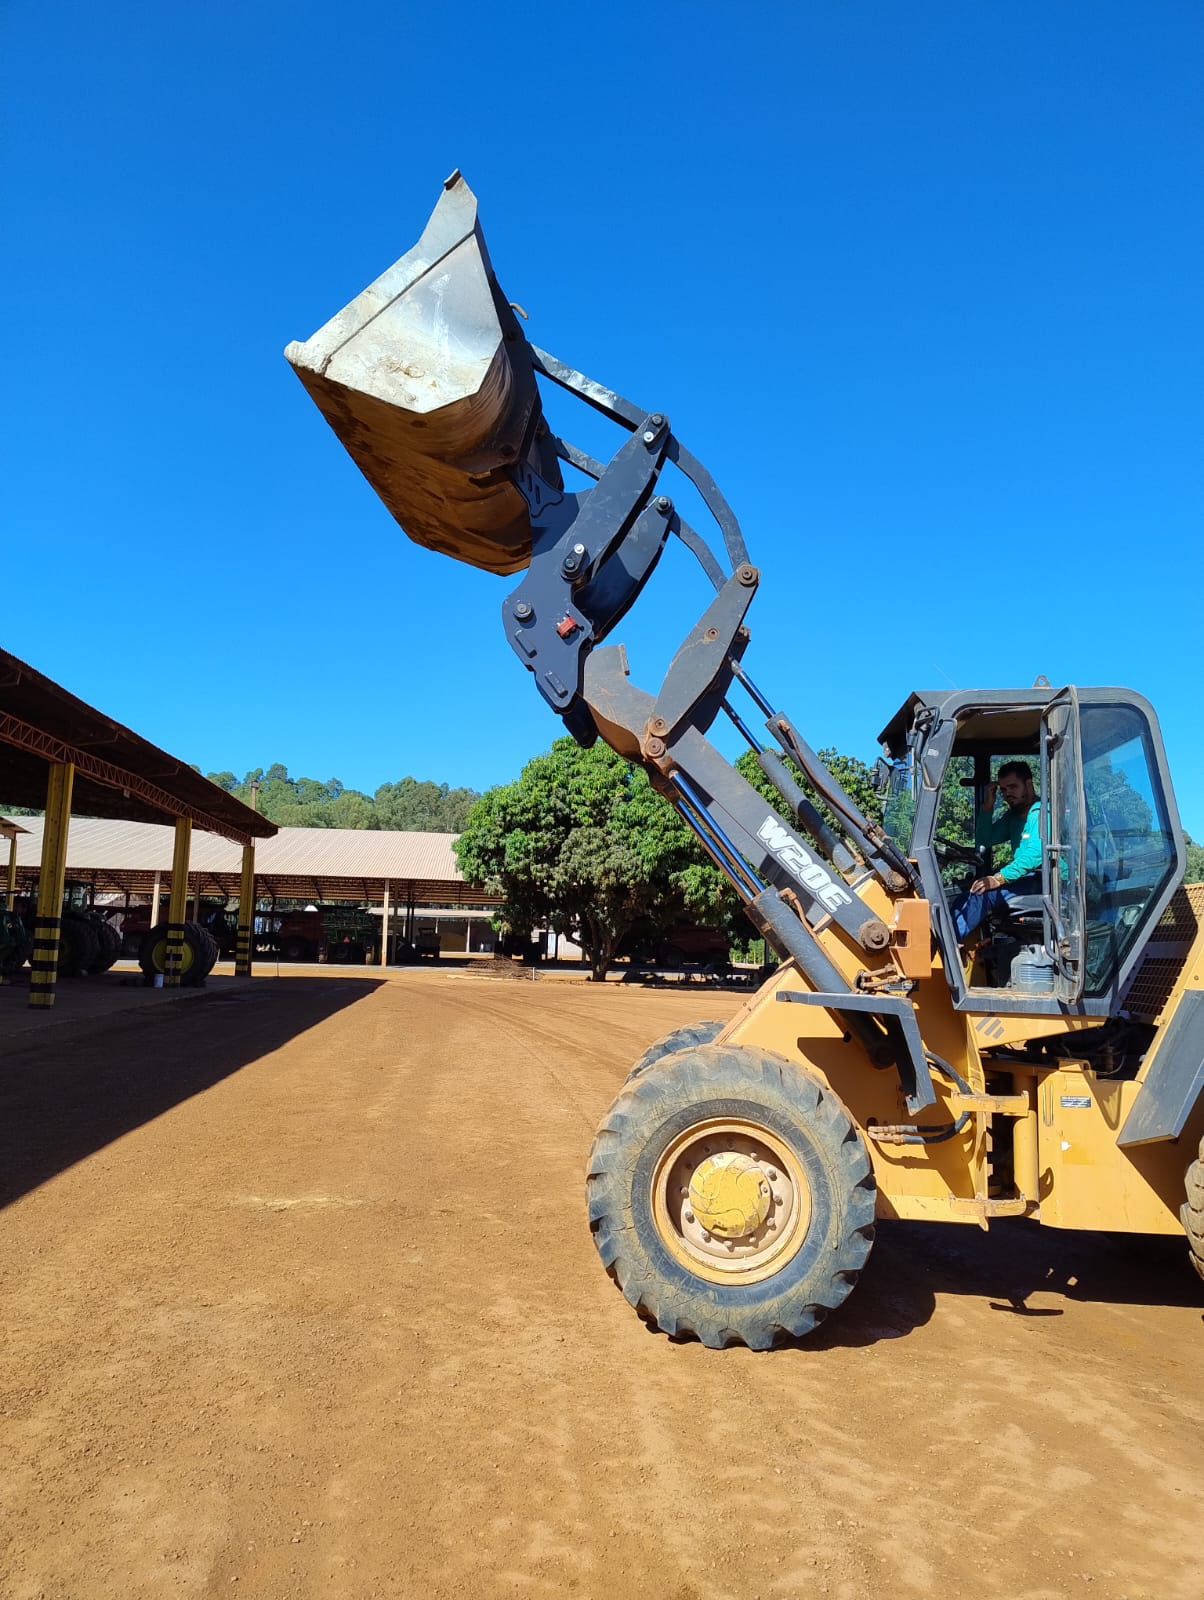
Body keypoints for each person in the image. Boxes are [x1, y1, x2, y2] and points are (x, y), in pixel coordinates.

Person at [951, 761, 1042, 940]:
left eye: (1013, 787)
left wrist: (997, 879)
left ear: (1029, 784)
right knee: (969, 893)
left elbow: (1035, 854)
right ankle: (943, 938)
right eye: (1003, 790)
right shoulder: (1014, 816)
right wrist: (987, 806)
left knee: (984, 892)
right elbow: (985, 839)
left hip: (1048, 880)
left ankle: (944, 947)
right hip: (1028, 878)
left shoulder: (1041, 813)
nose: (1008, 793)